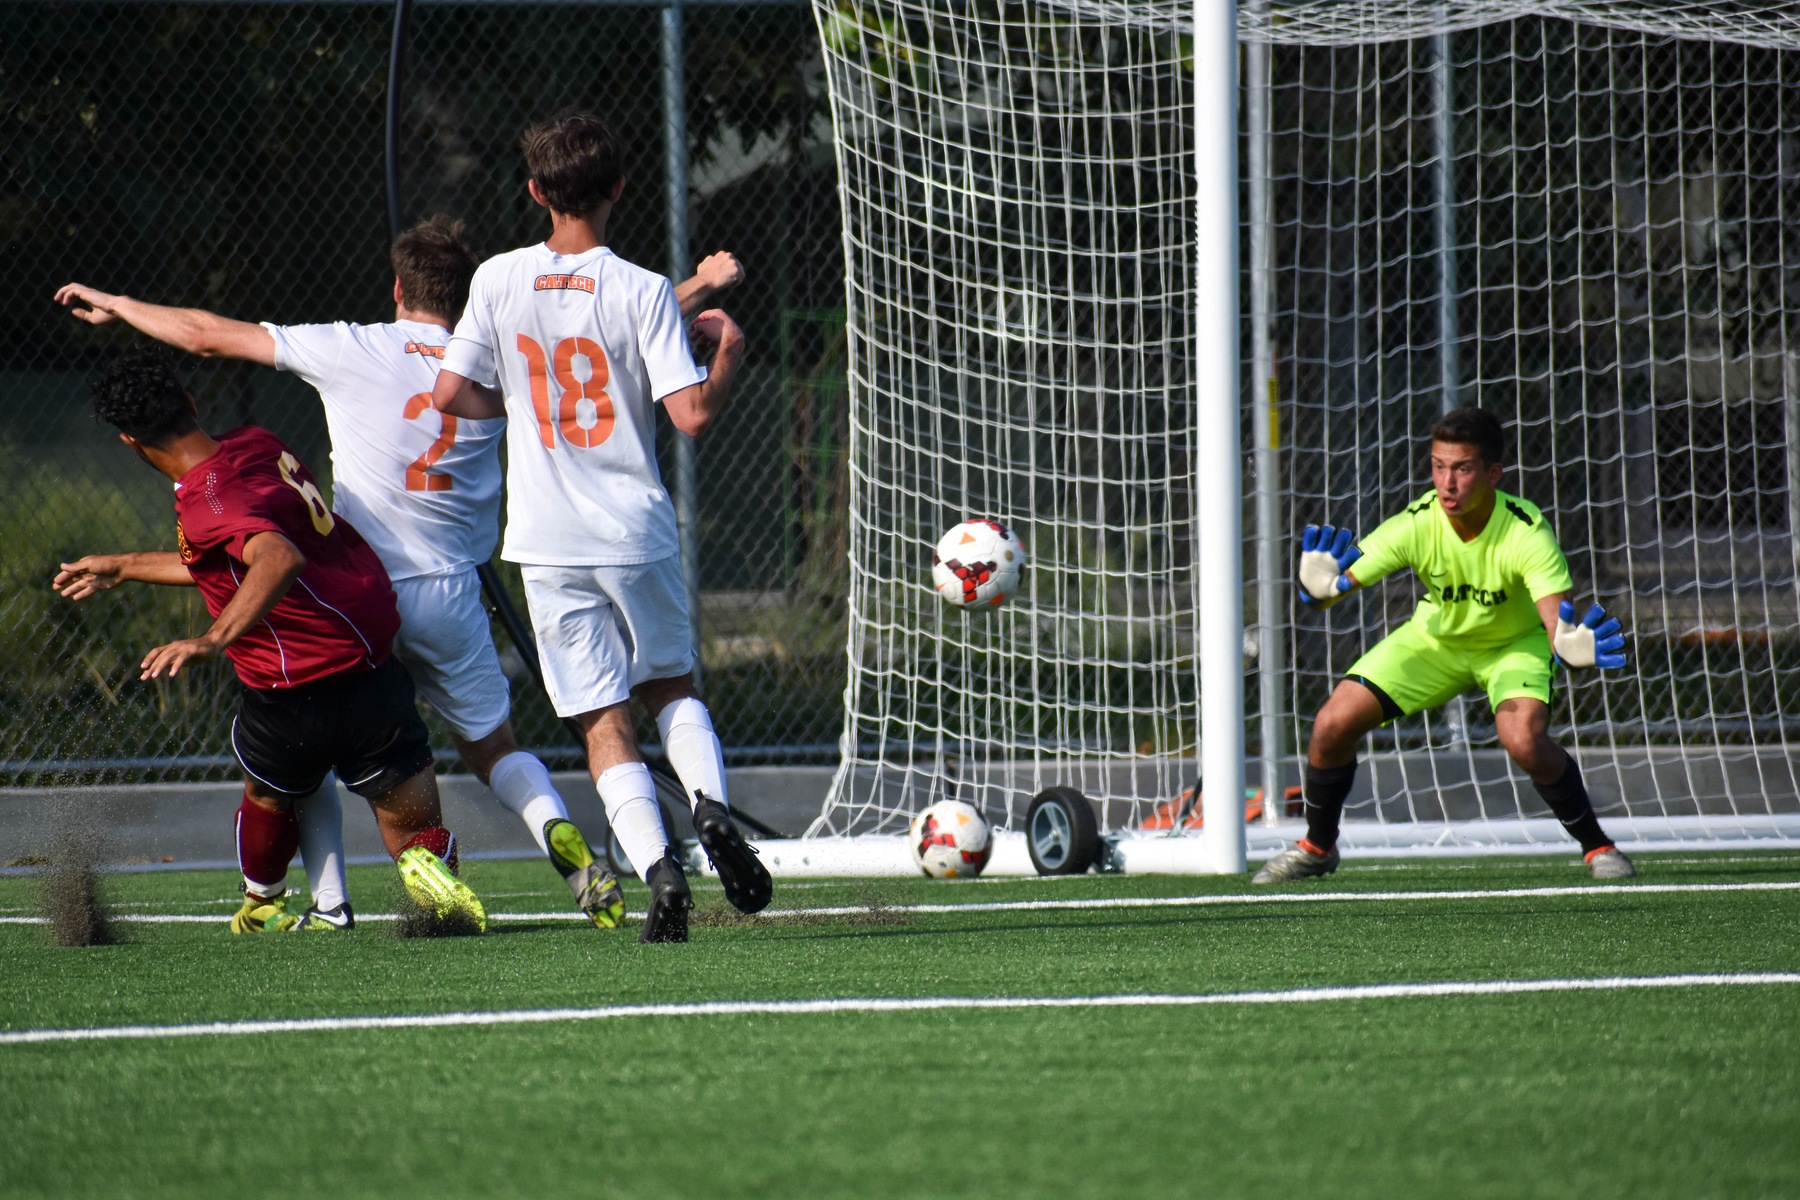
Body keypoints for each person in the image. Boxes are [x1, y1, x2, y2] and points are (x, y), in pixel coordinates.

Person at [53, 224, 745, 933]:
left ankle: (320, 900)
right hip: (452, 592)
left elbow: (203, 333)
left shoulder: (351, 347)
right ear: (469, 294)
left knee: (306, 751)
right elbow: (604, 331)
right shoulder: (496, 357)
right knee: (496, 748)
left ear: (396, 290)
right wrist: (693, 288)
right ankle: (561, 844)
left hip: (356, 596)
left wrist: (121, 303)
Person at [432, 109, 770, 943]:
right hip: (633, 531)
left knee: (601, 721)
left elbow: (450, 395)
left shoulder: (497, 280)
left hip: (546, 542)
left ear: (536, 192)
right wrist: (725, 355)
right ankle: (710, 807)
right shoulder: (644, 288)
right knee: (670, 689)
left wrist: (516, 407)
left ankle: (659, 872)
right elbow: (689, 416)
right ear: (620, 188)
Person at [54, 348, 487, 932]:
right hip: (369, 662)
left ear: (130, 441)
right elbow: (237, 554)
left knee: (268, 793)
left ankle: (264, 900)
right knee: (410, 827)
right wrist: (127, 564)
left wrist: (213, 638)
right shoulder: (256, 445)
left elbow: (275, 555)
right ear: (191, 402)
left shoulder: (208, 500)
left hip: (292, 690)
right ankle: (426, 868)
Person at [1258, 405, 1636, 883]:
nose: (1447, 483)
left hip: (1512, 646)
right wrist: (1319, 588)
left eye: (1462, 468)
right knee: (1332, 723)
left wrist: (1568, 645)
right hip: (1435, 640)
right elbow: (1338, 585)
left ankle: (1598, 846)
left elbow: (1555, 624)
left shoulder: (1526, 531)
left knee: (1523, 739)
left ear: (1493, 473)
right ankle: (1316, 847)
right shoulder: (1418, 521)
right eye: (1438, 466)